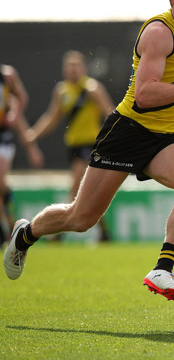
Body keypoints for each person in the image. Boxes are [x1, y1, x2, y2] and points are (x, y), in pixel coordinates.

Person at [4, 0, 174, 303]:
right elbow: (145, 95)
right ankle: (25, 234)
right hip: (128, 132)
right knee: (81, 218)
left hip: (164, 138)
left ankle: (162, 269)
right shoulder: (158, 33)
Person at [26, 50, 115, 242]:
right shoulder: (62, 91)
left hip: (90, 145)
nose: (72, 70)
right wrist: (33, 135)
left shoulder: (92, 88)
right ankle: (104, 232)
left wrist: (111, 141)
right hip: (73, 146)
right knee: (85, 192)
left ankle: (57, 232)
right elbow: (52, 117)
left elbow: (110, 113)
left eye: (76, 66)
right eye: (69, 66)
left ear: (83, 68)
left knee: (77, 187)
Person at [0, 64, 44, 245]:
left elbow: (21, 98)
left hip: (3, 137)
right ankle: (10, 225)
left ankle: (6, 232)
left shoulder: (7, 75)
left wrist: (13, 115)